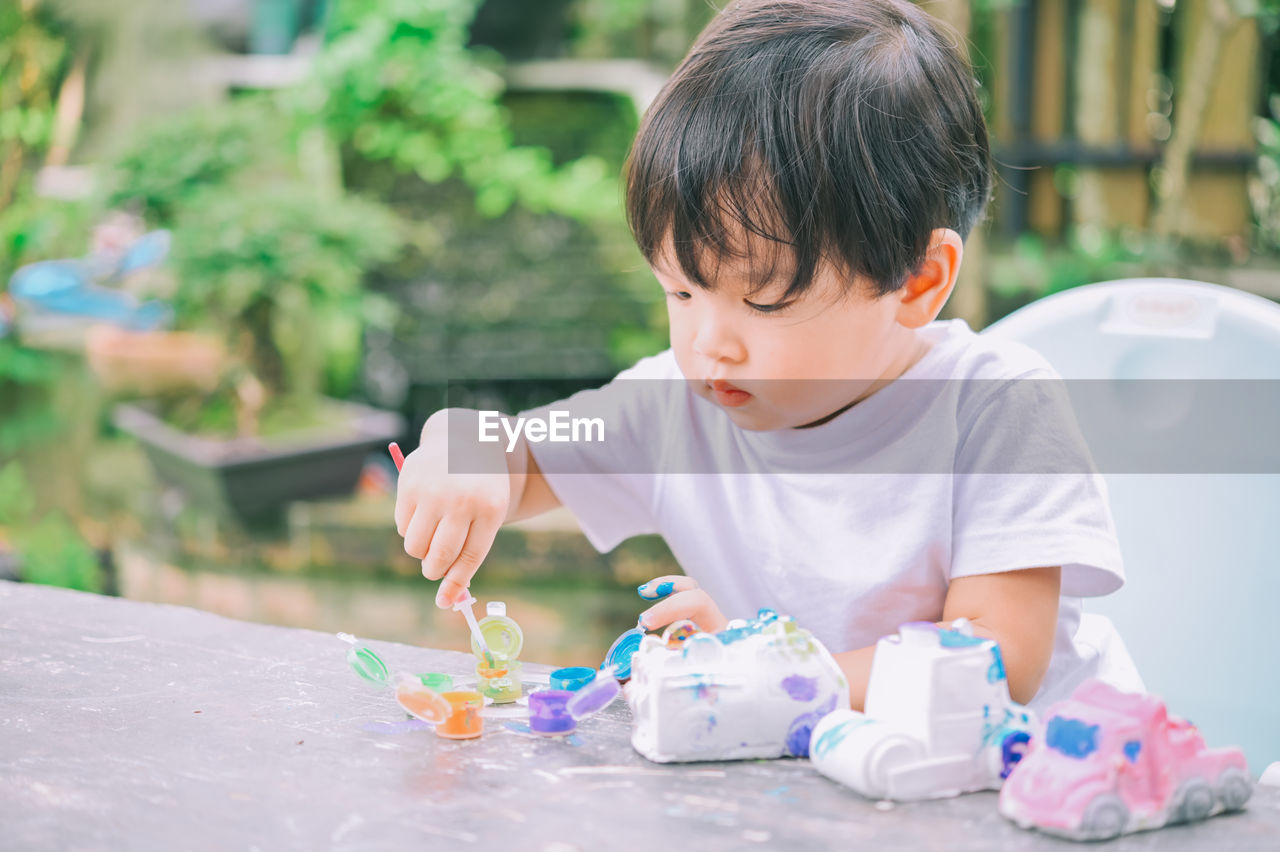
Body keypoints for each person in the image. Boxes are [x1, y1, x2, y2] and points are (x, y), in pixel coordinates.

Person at [393, 0, 1140, 711]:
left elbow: (995, 662)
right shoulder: (673, 411)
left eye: (763, 301)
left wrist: (755, 672)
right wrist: (467, 444)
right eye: (680, 292)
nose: (708, 342)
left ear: (918, 280)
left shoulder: (994, 413)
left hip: (1052, 792)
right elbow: (527, 451)